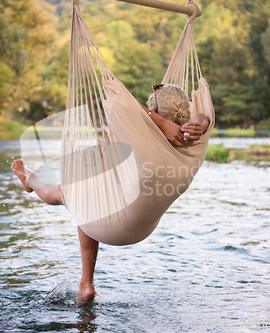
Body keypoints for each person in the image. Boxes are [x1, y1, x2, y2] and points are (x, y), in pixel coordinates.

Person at [11, 83, 210, 306]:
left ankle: (30, 182)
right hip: (142, 228)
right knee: (90, 190)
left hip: (116, 226)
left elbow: (120, 102)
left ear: (154, 112)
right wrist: (200, 123)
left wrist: (159, 121)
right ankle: (84, 282)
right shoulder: (193, 140)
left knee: (64, 193)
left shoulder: (145, 139)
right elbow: (205, 115)